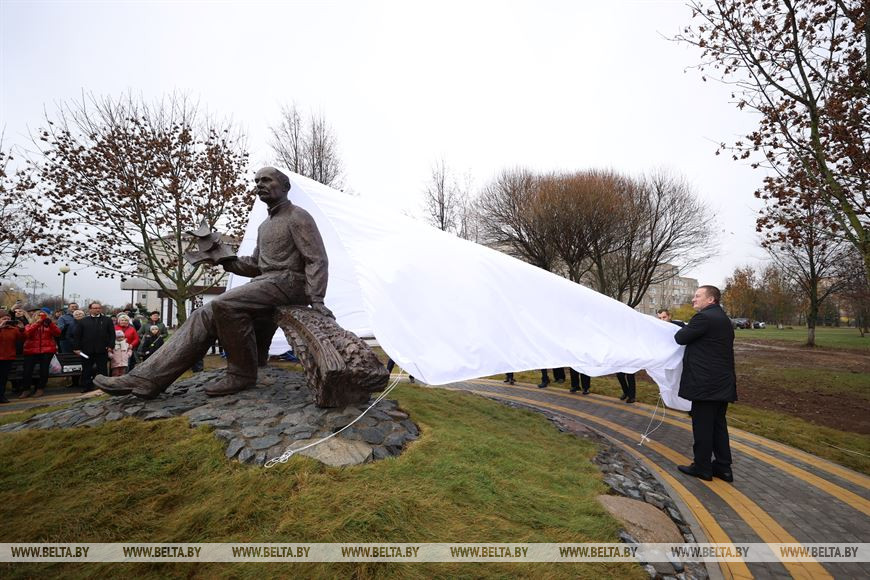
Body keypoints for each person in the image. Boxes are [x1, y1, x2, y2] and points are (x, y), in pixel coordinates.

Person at [97, 167, 334, 399]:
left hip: (290, 283)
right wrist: (223, 258)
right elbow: (255, 264)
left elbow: (316, 259)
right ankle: (148, 379)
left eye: (267, 180)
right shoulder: (264, 226)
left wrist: (316, 298)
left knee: (225, 303)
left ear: (285, 186)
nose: (260, 184)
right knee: (204, 313)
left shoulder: (298, 216)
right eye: (257, 181)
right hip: (268, 283)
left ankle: (241, 373)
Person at [674, 285, 737, 483]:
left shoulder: (704, 317)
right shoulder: (723, 319)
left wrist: (681, 327)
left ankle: (702, 467)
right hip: (722, 383)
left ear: (711, 300)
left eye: (697, 296)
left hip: (705, 385)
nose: (693, 299)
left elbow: (680, 338)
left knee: (702, 426)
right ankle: (723, 467)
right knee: (718, 425)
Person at [72, 302, 116, 393]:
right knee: (87, 369)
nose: (97, 309)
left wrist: (111, 346)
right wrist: (76, 348)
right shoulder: (83, 321)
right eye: (95, 308)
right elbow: (77, 336)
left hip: (102, 349)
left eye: (99, 308)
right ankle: (86, 386)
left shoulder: (107, 320)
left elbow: (112, 334)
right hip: (86, 350)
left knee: (102, 369)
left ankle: (104, 387)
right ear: (90, 309)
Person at [21, 308, 61, 398]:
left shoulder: (50, 325)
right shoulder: (29, 325)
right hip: (31, 350)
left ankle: (40, 388)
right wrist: (38, 323)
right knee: (27, 371)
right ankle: (26, 389)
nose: (41, 317)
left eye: (43, 316)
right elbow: (27, 334)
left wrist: (50, 324)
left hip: (47, 351)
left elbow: (58, 333)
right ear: (34, 317)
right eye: (38, 315)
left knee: (44, 371)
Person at [0, 309, 25, 403]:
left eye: (8, 318)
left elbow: (23, 338)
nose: (6, 320)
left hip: (7, 357)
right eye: (3, 318)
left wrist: (22, 329)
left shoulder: (13, 329)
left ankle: (1, 396)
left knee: (3, 378)